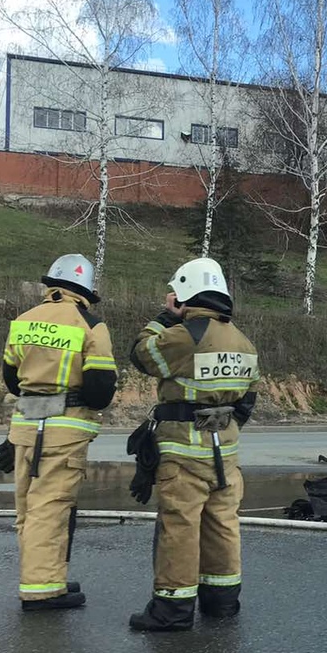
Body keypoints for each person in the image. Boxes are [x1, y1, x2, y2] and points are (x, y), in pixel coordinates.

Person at [127, 257, 260, 632]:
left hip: (184, 453)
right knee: (222, 525)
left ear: (187, 291)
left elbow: (141, 353)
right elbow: (248, 401)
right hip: (225, 455)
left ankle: (172, 609)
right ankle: (222, 602)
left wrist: (164, 316)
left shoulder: (185, 335)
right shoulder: (242, 341)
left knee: (180, 528)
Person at [0, 254, 117, 611]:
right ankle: (42, 590)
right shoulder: (90, 325)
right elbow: (100, 389)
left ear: (51, 285)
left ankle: (48, 574)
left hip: (24, 428)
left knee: (28, 509)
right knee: (51, 509)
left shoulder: (23, 321)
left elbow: (11, 380)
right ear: (84, 291)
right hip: (65, 432)